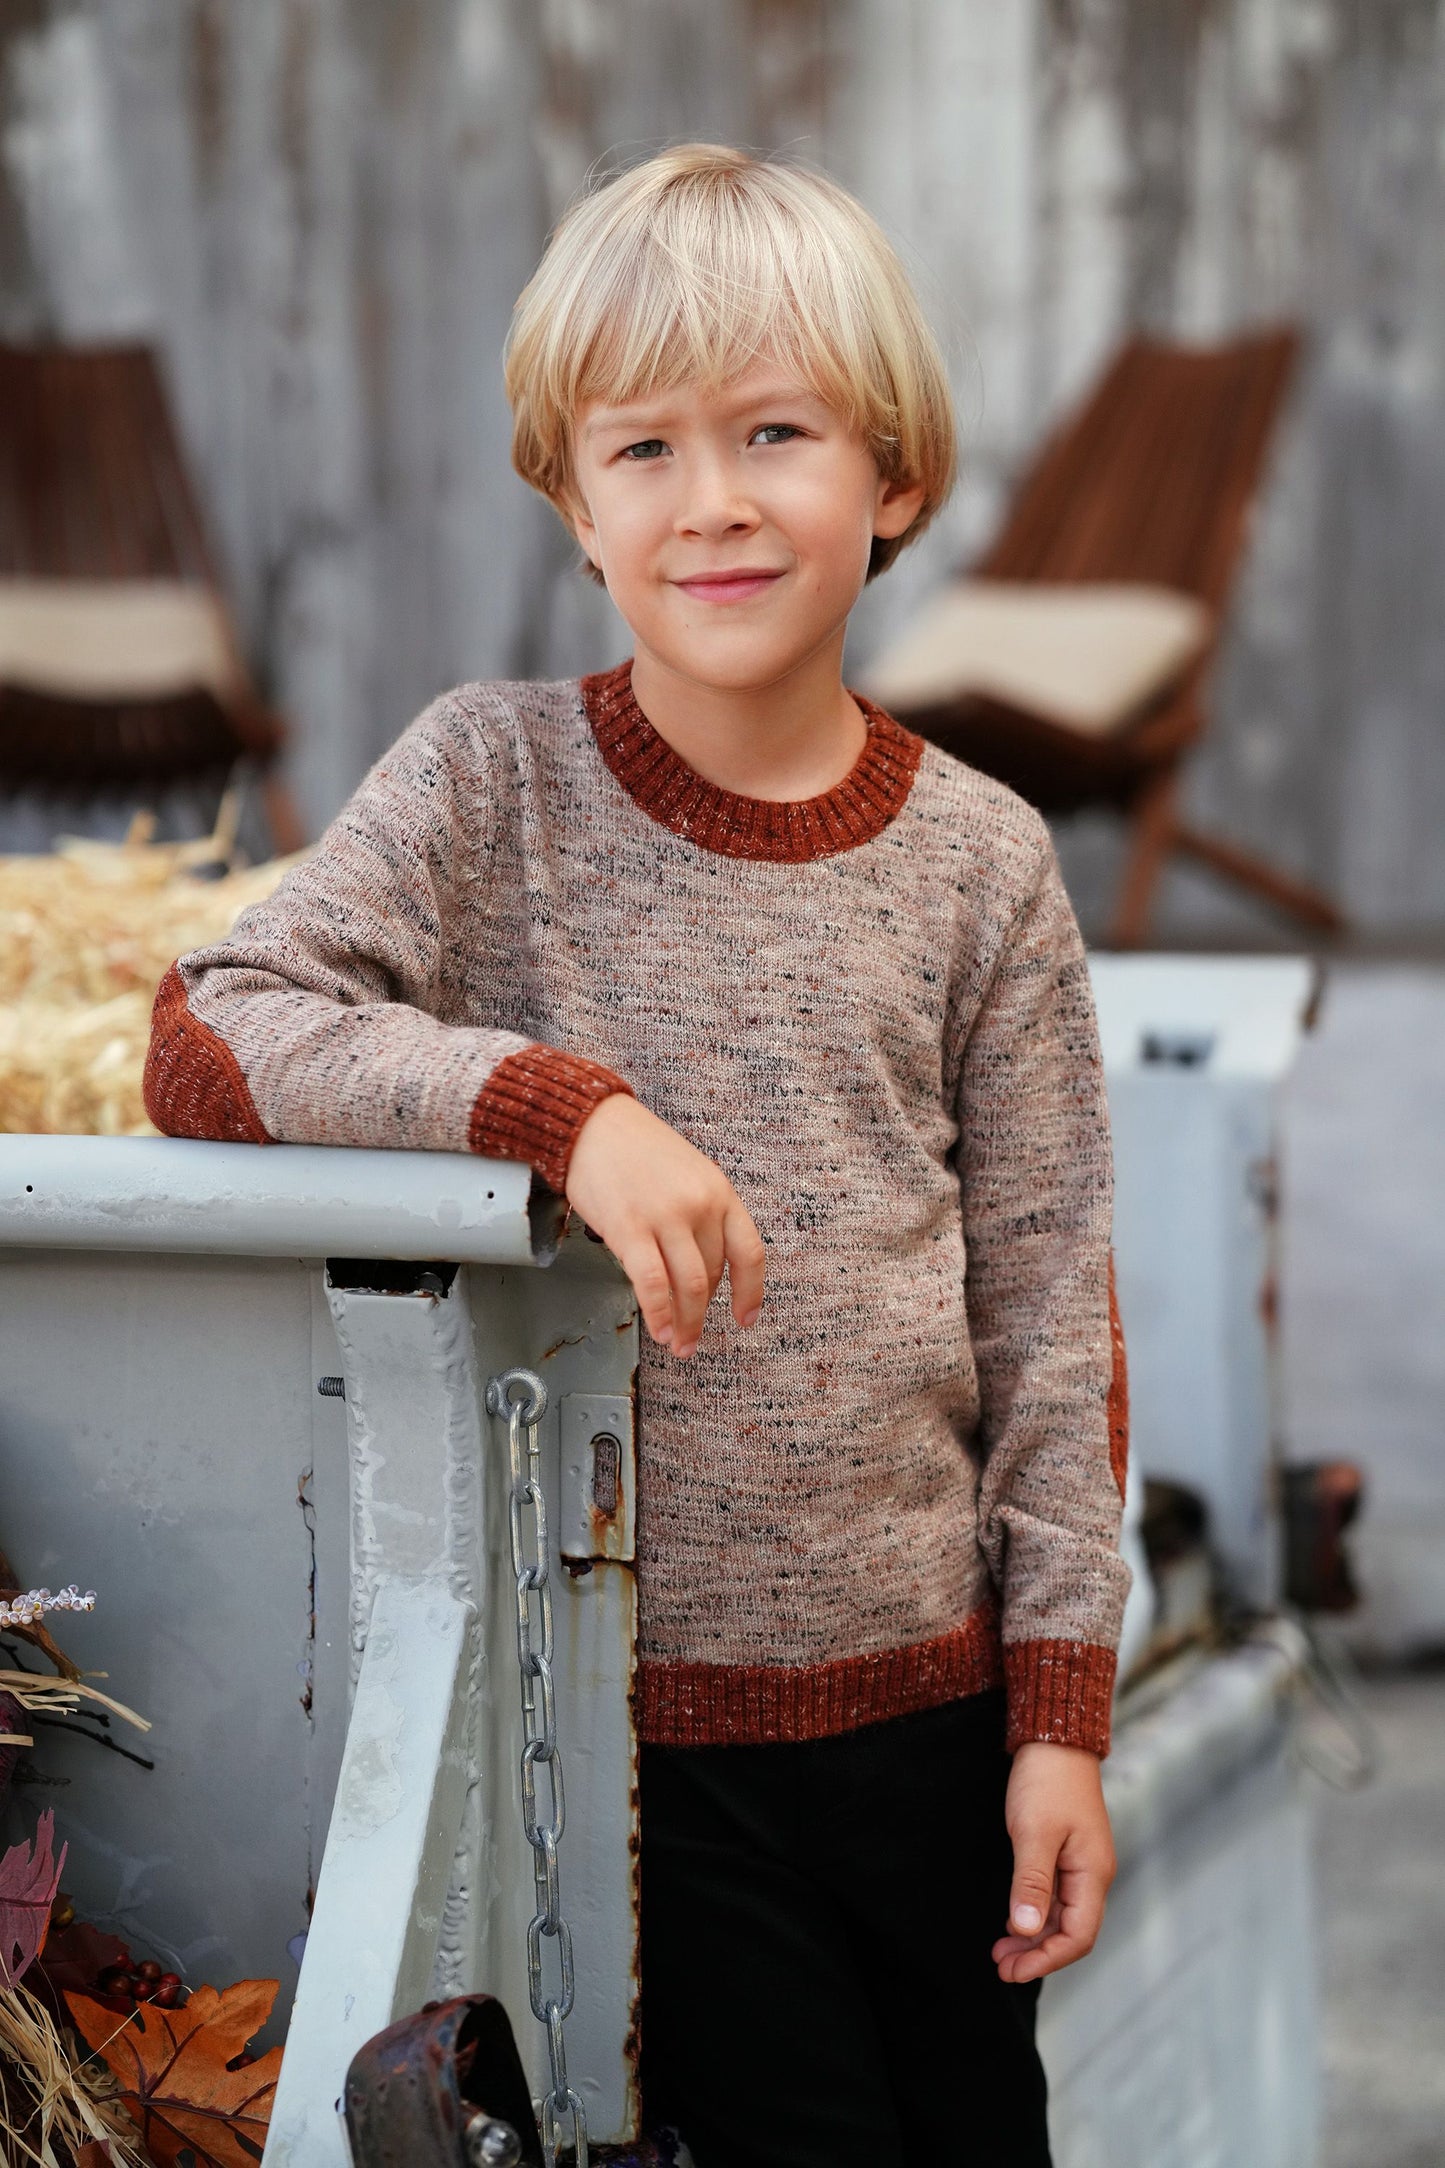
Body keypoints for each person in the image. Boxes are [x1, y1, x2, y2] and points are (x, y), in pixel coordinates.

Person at [144, 143, 1132, 2168]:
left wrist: (1060, 1717)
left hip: (934, 1725)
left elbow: (1050, 1316)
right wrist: (554, 1106)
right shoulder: (488, 782)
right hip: (620, 1735)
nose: (717, 498)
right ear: (575, 507)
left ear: (895, 474)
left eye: (776, 431)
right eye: (648, 447)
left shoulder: (982, 863)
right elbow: (210, 1033)